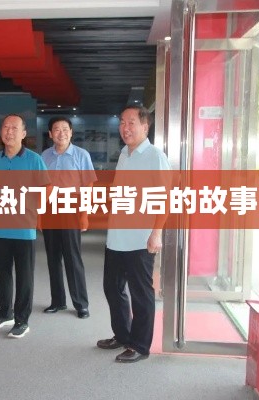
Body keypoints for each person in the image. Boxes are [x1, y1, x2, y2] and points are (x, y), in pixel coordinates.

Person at [96, 105, 170, 363]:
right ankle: (123, 335)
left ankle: (139, 345)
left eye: (131, 123)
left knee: (140, 293)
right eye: (122, 122)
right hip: (117, 237)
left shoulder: (154, 156)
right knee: (112, 288)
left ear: (145, 127)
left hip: (140, 238)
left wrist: (156, 233)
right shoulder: (124, 154)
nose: (125, 128)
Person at [0, 114, 49, 338]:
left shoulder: (34, 160)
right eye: (5, 127)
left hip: (24, 228)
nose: (9, 132)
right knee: (3, 273)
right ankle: (5, 313)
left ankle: (22, 320)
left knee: (24, 277)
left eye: (14, 128)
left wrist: (38, 212)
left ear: (23, 134)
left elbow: (46, 188)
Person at [40, 116, 96, 319]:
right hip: (49, 210)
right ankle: (58, 301)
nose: (61, 133)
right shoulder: (45, 156)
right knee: (53, 258)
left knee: (73, 257)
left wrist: (85, 215)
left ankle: (81, 304)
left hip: (71, 209)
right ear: (50, 134)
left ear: (71, 132)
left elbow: (88, 185)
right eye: (56, 129)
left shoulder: (81, 155)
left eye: (65, 129)